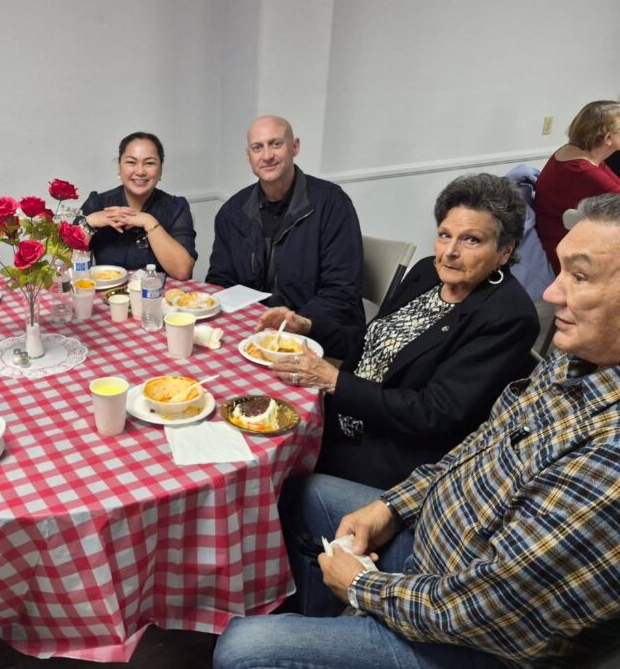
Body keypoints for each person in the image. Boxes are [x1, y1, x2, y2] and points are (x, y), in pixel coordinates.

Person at [214, 193, 620, 669]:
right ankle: (319, 629)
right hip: (434, 538)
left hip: (470, 637)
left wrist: (362, 588)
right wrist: (390, 507)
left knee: (240, 647)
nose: (551, 293)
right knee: (295, 492)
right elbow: (476, 442)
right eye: (445, 234)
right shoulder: (572, 361)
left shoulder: (607, 452)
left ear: (505, 252)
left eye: (580, 276)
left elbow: (489, 608)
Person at [258, 174, 539, 489]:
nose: (449, 251)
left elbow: (435, 413)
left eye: (471, 240)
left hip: (393, 460)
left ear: (505, 251)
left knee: (276, 482)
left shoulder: (508, 315)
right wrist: (308, 326)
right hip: (340, 420)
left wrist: (334, 381)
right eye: (445, 235)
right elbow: (372, 341)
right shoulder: (427, 272)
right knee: (257, 420)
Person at [207, 115, 364, 326]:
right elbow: (220, 281)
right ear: (248, 156)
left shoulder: (333, 204)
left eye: (276, 144)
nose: (267, 156)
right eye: (257, 147)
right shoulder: (232, 212)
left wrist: (296, 323)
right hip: (253, 326)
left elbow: (341, 290)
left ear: (295, 147)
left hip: (316, 328)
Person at [80, 131, 196, 279]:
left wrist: (149, 222)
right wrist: (89, 223)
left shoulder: (175, 207)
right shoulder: (97, 203)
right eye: (131, 162)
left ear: (160, 169)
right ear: (119, 166)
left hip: (158, 292)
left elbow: (182, 271)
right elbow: (64, 267)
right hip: (107, 291)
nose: (140, 171)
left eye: (149, 163)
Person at [533, 100, 620, 273]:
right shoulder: (583, 170)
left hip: (570, 237)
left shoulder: (579, 153)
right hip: (563, 250)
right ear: (608, 138)